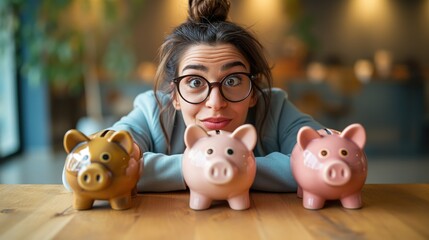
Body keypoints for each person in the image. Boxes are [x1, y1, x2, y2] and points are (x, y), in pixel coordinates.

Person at [63, 0, 326, 193]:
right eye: (195, 82)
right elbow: (83, 167)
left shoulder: (276, 107)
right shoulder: (152, 110)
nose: (215, 102)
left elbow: (330, 161)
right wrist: (226, 169)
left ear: (254, 92)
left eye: (233, 80)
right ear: (174, 95)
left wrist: (165, 172)